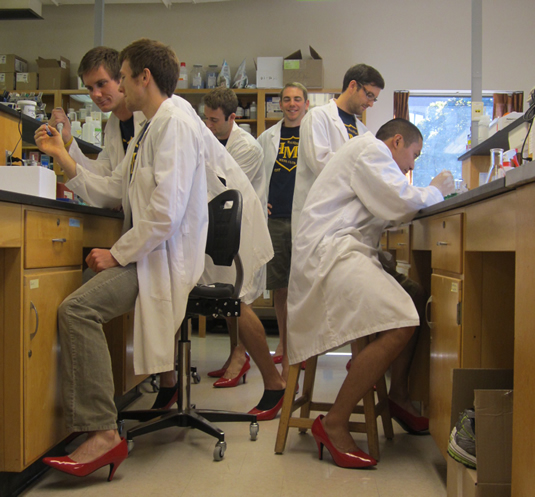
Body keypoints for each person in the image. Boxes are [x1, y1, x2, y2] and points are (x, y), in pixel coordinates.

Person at [34, 38, 209, 481]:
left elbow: (166, 212)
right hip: (149, 251)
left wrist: (117, 252)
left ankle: (101, 434)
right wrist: (62, 158)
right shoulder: (150, 127)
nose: (115, 90)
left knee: (77, 310)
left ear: (141, 78)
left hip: (162, 258)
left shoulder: (174, 124)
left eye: (122, 76)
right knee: (81, 308)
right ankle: (99, 426)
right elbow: (115, 187)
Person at [287, 119, 455, 468]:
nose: (412, 166)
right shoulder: (370, 150)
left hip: (342, 250)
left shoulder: (369, 155)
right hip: (329, 255)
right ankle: (334, 422)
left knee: (414, 294)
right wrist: (437, 188)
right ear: (396, 141)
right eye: (413, 155)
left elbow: (389, 205)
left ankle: (399, 396)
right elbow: (401, 202)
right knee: (403, 321)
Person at [202, 87, 270, 390]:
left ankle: (242, 357)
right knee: (229, 295)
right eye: (206, 119)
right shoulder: (215, 138)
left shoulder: (248, 148)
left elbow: (222, 187)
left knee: (240, 298)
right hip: (223, 228)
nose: (208, 125)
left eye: (215, 120)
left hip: (243, 231)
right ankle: (235, 354)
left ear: (233, 117)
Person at [291, 63, 384, 236]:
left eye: (374, 99)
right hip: (317, 219)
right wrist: (360, 171)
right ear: (353, 85)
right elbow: (321, 164)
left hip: (345, 222)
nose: (371, 103)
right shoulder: (318, 117)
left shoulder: (363, 132)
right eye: (369, 95)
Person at [257, 82, 309, 380]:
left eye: (297, 99)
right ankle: (284, 342)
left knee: (302, 285)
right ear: (281, 104)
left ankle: (299, 345)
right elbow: (256, 175)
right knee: (279, 285)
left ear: (306, 104)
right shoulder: (267, 138)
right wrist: (259, 201)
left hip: (305, 219)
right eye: (287, 99)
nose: (292, 104)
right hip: (276, 219)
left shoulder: (314, 137)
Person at [50, 46, 139, 178]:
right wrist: (67, 139)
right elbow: (99, 175)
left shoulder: (150, 117)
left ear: (121, 79)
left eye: (101, 84)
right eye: (90, 88)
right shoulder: (113, 128)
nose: (96, 94)